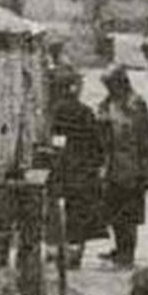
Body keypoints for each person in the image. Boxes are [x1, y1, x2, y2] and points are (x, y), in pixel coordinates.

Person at [96, 65, 148, 268]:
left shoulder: (135, 104)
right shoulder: (107, 104)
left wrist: (147, 170)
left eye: (111, 84)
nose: (108, 88)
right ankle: (120, 248)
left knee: (130, 213)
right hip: (113, 166)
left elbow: (143, 137)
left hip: (133, 167)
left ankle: (127, 253)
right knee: (114, 210)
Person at [51, 73, 106, 267]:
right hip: (83, 168)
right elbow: (97, 142)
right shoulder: (84, 112)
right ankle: (76, 251)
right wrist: (99, 162)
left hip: (62, 168)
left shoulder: (55, 111)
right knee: (81, 211)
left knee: (61, 210)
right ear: (73, 88)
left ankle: (63, 249)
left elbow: (53, 139)